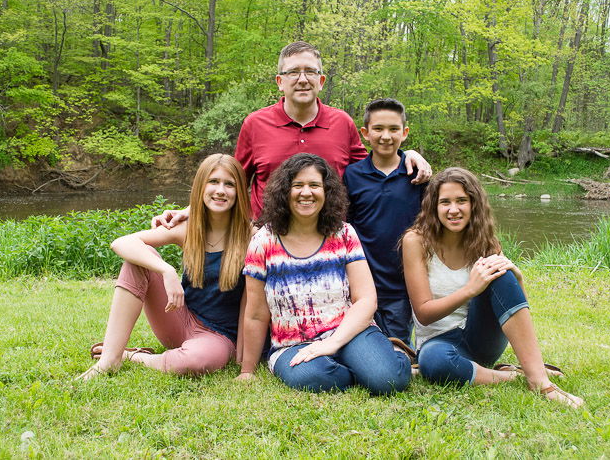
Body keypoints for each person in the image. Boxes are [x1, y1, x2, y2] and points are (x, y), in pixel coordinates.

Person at [152, 41, 431, 227]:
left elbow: (373, 167)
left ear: (321, 81)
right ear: (280, 82)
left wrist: (409, 155)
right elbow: (233, 180)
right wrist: (191, 210)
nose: (302, 79)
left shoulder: (342, 122)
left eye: (310, 71)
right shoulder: (255, 124)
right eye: (293, 72)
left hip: (329, 238)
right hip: (266, 238)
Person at [401, 167, 584, 407]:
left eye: (461, 201)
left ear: (474, 204)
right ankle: (511, 375)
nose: (453, 210)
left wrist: (517, 280)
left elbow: (511, 308)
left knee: (501, 273)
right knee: (433, 363)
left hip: (481, 339)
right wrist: (469, 289)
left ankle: (540, 382)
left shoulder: (485, 242)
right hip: (439, 344)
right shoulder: (416, 241)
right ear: (434, 207)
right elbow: (423, 314)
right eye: (445, 202)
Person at [236, 153, 411, 395]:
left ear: (326, 191)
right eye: (297, 185)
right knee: (316, 378)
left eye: (314, 185)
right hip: (293, 344)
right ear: (284, 192)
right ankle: (360, 367)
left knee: (387, 380)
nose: (306, 192)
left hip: (349, 332)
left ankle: (392, 356)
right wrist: (247, 370)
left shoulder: (344, 234)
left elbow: (366, 299)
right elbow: (256, 314)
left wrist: (333, 342)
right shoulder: (263, 242)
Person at [77, 154, 252, 381]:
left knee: (192, 362)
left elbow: (252, 304)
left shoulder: (251, 237)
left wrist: (244, 357)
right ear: (200, 187)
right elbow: (121, 242)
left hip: (218, 338)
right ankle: (109, 360)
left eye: (229, 184)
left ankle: (134, 357)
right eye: (213, 182)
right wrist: (165, 270)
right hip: (180, 319)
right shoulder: (188, 228)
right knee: (139, 259)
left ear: (240, 192)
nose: (221, 190)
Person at [343, 98, 426, 348]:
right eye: (378, 129)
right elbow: (345, 227)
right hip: (361, 282)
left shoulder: (418, 176)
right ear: (365, 133)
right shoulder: (352, 175)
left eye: (393, 129)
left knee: (398, 347)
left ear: (405, 133)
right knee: (362, 343)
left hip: (401, 286)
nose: (386, 136)